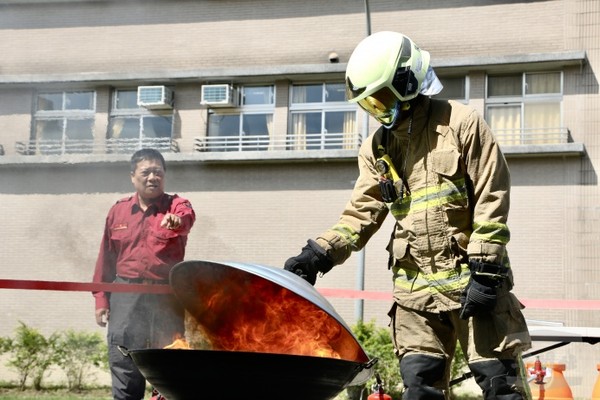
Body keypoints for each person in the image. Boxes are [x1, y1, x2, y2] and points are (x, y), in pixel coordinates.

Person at [284, 31, 532, 400]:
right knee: (420, 389)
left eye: (381, 98)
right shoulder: (376, 147)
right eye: (368, 104)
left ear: (408, 81)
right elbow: (362, 211)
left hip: (473, 285)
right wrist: (320, 253)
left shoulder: (462, 124)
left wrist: (487, 269)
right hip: (415, 295)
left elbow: (491, 195)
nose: (378, 110)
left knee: (500, 387)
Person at [92, 148, 196, 400]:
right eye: (146, 172)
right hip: (126, 296)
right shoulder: (118, 211)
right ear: (132, 177)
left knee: (167, 369)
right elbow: (106, 258)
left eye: (158, 172)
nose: (152, 177)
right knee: (124, 363)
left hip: (165, 296)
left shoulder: (177, 205)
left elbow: (187, 218)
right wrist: (101, 299)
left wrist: (177, 221)